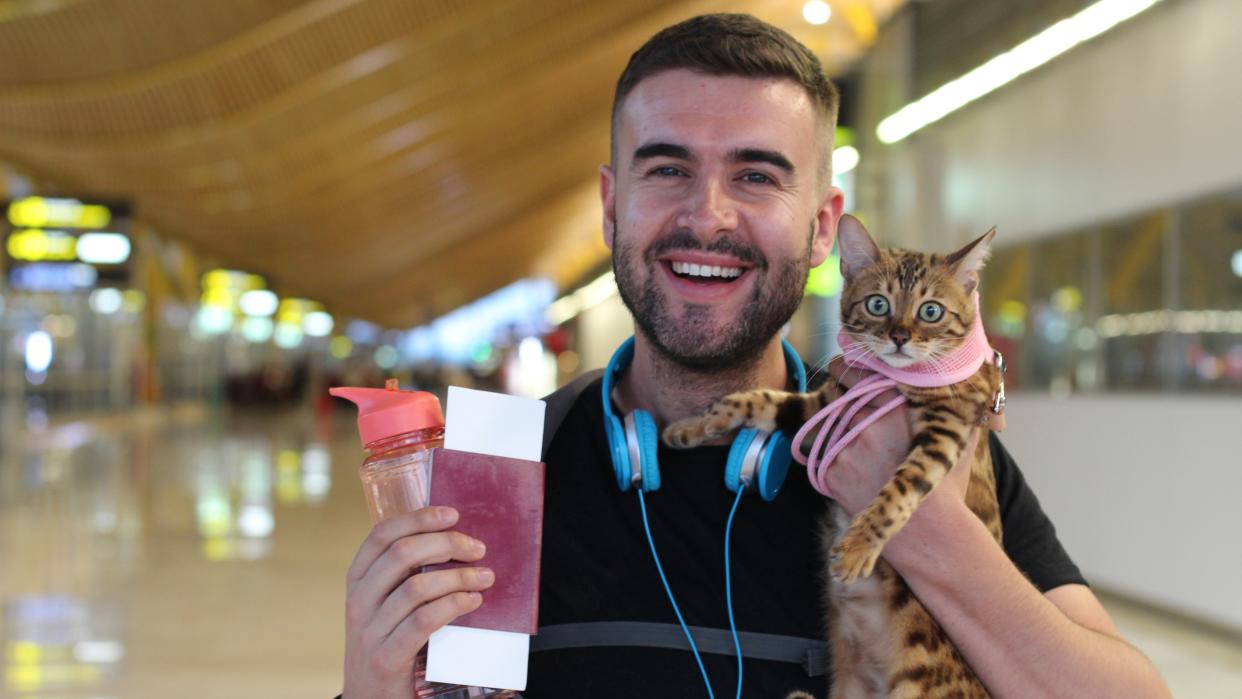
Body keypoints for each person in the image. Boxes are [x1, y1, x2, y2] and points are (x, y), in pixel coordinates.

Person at [339, 14, 1172, 698]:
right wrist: (371, 679)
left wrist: (931, 537)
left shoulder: (926, 450)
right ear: (610, 206)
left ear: (822, 228)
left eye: (758, 177)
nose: (708, 217)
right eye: (667, 168)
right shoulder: (503, 470)